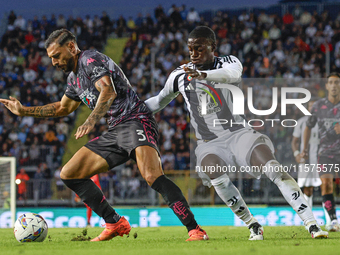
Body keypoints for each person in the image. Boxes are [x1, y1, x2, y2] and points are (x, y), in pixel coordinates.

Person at [0, 29, 208, 242]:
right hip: (116, 130)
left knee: (152, 176)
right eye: (51, 58)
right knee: (69, 173)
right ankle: (114, 221)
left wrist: (90, 121)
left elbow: (108, 91)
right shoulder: (74, 79)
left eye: (56, 55)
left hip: (135, 120)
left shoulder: (90, 59)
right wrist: (24, 110)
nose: (54, 62)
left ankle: (195, 230)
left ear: (71, 47)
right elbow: (62, 108)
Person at [145, 26, 328, 239]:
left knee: (273, 168)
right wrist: (132, 110)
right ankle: (252, 224)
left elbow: (232, 74)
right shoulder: (179, 75)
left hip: (239, 134)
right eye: (190, 50)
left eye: (199, 49)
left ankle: (312, 224)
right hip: (209, 142)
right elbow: (159, 101)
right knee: (214, 172)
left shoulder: (229, 62)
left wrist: (203, 74)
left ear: (213, 47)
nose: (193, 54)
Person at [302, 72, 340, 232]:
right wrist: (304, 149)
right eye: (331, 82)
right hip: (324, 153)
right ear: (326, 86)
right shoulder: (318, 106)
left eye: (337, 82)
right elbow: (308, 127)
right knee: (326, 185)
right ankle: (333, 220)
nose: (333, 85)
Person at [291, 99, 321, 208]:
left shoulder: (323, 122)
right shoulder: (302, 122)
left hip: (321, 158)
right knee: (307, 188)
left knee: (325, 186)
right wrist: (296, 154)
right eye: (310, 106)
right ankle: (309, 216)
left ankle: (330, 220)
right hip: (307, 158)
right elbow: (294, 141)